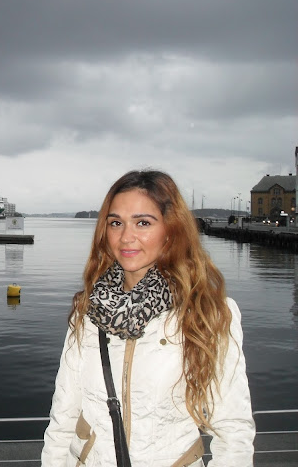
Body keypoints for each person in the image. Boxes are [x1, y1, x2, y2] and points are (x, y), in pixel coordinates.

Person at [41, 170, 255, 467]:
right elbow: (63, 417)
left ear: (171, 230)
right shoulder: (87, 311)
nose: (126, 237)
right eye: (116, 223)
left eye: (143, 222)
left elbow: (233, 430)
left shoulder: (208, 313)